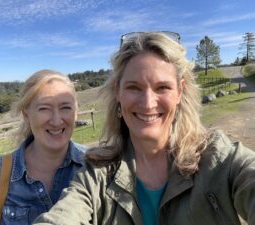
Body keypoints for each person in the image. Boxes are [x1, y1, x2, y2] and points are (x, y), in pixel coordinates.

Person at [33, 33, 255, 225]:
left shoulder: (219, 159)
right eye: (134, 87)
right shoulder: (97, 176)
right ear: (117, 91)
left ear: (180, 91)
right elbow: (64, 215)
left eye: (162, 87)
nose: (148, 103)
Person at [0, 69, 87, 224]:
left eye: (65, 107)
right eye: (44, 108)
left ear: (76, 112)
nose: (56, 121)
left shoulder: (97, 167)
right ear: (26, 115)